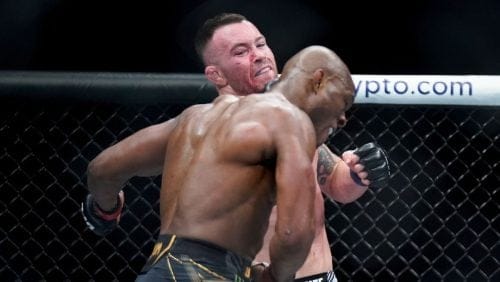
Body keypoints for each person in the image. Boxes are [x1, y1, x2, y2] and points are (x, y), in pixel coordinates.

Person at [82, 45, 356, 281]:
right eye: (344, 102)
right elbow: (294, 234)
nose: (343, 120)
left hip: (158, 269)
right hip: (215, 273)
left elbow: (102, 169)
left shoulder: (194, 117)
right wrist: (274, 277)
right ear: (318, 80)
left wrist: (106, 209)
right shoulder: (291, 121)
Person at [193, 13, 390, 282]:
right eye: (241, 51)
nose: (259, 55)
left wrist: (360, 170)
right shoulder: (206, 132)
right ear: (216, 74)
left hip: (316, 275)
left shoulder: (296, 116)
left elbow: (335, 183)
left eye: (260, 44)